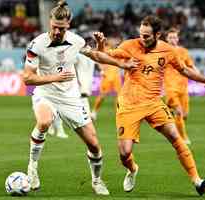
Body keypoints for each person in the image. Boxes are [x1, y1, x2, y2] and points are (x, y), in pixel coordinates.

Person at [93, 15, 205, 196]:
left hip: (154, 102)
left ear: (157, 34)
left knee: (175, 137)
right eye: (141, 34)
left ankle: (197, 180)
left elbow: (184, 70)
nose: (142, 38)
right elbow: (103, 57)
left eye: (147, 36)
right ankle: (132, 169)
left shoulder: (168, 51)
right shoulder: (130, 45)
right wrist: (100, 45)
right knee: (124, 153)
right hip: (129, 104)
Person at [22, 1, 137, 195]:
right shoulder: (37, 45)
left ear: (69, 25)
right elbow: (27, 78)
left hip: (71, 97)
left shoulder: (76, 41)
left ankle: (96, 180)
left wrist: (122, 65)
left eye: (62, 28)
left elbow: (97, 56)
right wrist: (54, 78)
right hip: (46, 93)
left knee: (94, 144)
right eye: (54, 27)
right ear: (50, 22)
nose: (57, 32)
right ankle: (32, 168)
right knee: (44, 122)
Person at [164, 27, 199, 144]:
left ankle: (168, 120)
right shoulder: (163, 52)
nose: (173, 39)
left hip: (183, 88)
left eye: (174, 37)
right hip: (170, 88)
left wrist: (199, 76)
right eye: (170, 37)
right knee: (179, 112)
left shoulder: (184, 51)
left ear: (178, 39)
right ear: (166, 39)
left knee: (184, 115)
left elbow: (191, 66)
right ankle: (183, 138)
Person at [91, 37, 122, 120]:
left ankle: (118, 113)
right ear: (109, 41)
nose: (115, 42)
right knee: (102, 96)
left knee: (119, 96)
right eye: (114, 40)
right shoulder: (106, 50)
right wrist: (101, 70)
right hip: (107, 76)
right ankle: (94, 111)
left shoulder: (118, 51)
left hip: (116, 76)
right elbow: (98, 59)